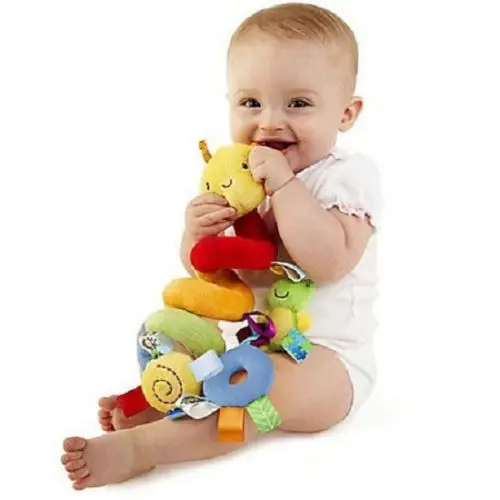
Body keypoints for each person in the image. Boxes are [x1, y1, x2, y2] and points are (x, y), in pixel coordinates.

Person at [60, 3, 382, 489]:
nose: (269, 122)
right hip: (248, 342)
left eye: (298, 103)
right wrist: (197, 233)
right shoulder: (239, 181)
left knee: (257, 389)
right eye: (251, 103)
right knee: (186, 341)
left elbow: (329, 261)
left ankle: (146, 449)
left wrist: (286, 188)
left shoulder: (346, 177)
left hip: (327, 363)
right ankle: (168, 393)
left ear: (346, 113)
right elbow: (211, 276)